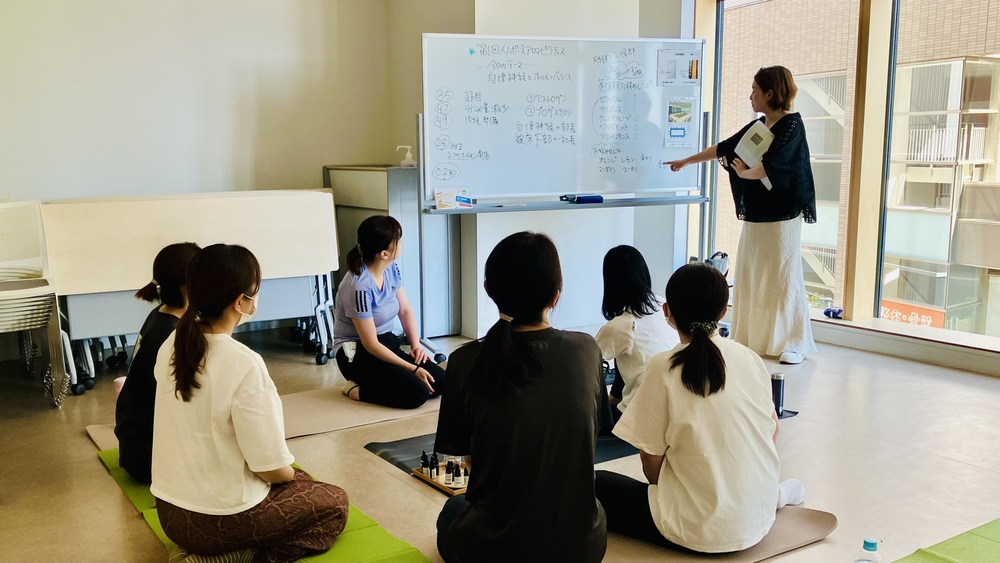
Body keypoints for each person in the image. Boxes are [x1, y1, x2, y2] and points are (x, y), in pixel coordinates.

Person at [151, 244, 348, 563]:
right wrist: (291, 478)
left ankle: (204, 551)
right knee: (334, 503)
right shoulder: (243, 362)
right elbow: (270, 469)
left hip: (170, 514)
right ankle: (233, 557)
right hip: (218, 522)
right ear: (240, 301)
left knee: (301, 481)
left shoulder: (172, 343)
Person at [594, 263, 804, 553]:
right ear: (723, 311)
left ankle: (759, 498)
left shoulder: (662, 366)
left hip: (696, 529)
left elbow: (650, 459)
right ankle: (774, 495)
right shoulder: (750, 358)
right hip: (759, 516)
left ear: (667, 312)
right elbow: (773, 430)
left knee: (595, 484)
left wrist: (667, 491)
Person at [434, 231, 612, 563]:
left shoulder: (463, 362)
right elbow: (589, 441)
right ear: (556, 296)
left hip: (496, 551)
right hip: (583, 549)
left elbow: (470, 464)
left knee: (452, 509)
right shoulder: (587, 350)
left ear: (488, 289)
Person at [666, 65, 818, 365]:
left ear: (770, 93)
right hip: (757, 214)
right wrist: (687, 161)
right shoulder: (759, 126)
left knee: (781, 277)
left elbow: (777, 165)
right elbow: (725, 148)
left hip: (782, 216)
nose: (751, 96)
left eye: (755, 90)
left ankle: (793, 341)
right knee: (752, 273)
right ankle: (752, 337)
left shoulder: (791, 125)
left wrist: (746, 173)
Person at [332, 215, 445, 409]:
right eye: (398, 241)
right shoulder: (358, 286)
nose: (401, 243)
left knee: (440, 382)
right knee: (417, 393)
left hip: (384, 342)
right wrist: (412, 368)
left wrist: (416, 346)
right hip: (355, 353)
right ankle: (356, 391)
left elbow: (405, 310)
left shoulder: (391, 268)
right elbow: (370, 344)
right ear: (384, 253)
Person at [114, 242, 200, 483]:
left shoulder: (161, 315)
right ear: (188, 286)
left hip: (134, 447)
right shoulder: (172, 334)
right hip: (150, 459)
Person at [596, 245, 680, 422]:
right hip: (674, 406)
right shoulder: (664, 305)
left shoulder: (623, 325)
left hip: (640, 415)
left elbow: (586, 359)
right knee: (626, 353)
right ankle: (616, 397)